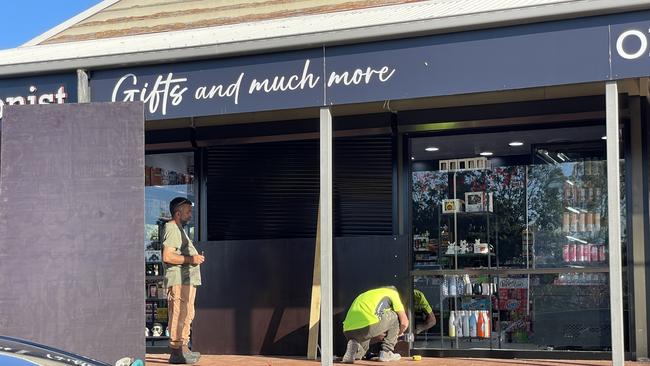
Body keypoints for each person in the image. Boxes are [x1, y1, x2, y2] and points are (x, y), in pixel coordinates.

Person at [162, 197, 205, 364]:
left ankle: (184, 349)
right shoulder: (172, 228)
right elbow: (168, 256)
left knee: (187, 313)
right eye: (188, 211)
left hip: (186, 280)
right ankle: (176, 351)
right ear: (178, 213)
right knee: (179, 313)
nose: (191, 214)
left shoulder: (180, 229)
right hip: (179, 280)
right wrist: (191, 259)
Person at [341, 286, 409, 363]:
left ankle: (355, 351)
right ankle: (386, 352)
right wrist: (398, 333)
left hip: (348, 330)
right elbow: (404, 322)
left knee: (362, 349)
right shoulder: (393, 293)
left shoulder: (366, 294)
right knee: (395, 316)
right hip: (368, 325)